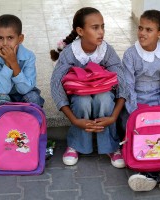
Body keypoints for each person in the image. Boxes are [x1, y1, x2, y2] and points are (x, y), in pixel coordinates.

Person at [50, 7, 128, 168]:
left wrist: (113, 117)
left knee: (105, 98)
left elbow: (122, 83)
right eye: (95, 28)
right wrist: (74, 120)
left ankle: (111, 145)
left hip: (103, 96)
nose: (101, 32)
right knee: (82, 101)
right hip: (79, 98)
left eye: (102, 26)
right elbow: (56, 85)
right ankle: (77, 144)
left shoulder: (107, 51)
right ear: (80, 31)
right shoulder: (69, 53)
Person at [121, 10, 160, 192]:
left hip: (159, 105)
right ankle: (149, 174)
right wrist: (136, 111)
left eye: (148, 30)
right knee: (141, 135)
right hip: (135, 106)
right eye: (140, 28)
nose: (142, 33)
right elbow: (128, 87)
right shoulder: (130, 55)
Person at [0, 14, 44, 110]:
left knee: (34, 98)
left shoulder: (29, 56)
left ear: (20, 39)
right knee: (0, 101)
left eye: (10, 38)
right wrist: (7, 63)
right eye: (0, 38)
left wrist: (13, 63)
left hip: (24, 93)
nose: (5, 43)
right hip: (2, 95)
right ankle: (7, 121)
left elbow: (25, 89)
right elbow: (2, 90)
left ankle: (28, 121)